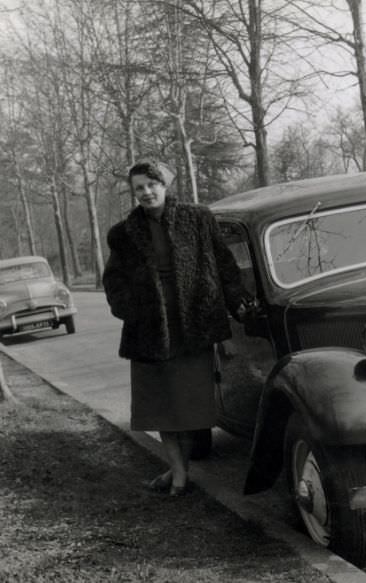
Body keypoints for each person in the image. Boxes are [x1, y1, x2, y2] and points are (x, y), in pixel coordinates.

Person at [102, 158, 250, 496]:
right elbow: (113, 281)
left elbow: (225, 264)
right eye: (139, 188)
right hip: (150, 333)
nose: (146, 192)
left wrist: (236, 302)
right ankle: (180, 476)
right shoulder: (123, 234)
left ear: (165, 185)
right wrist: (132, 311)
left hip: (193, 327)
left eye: (152, 185)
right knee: (161, 409)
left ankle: (177, 470)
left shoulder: (198, 218)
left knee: (188, 410)